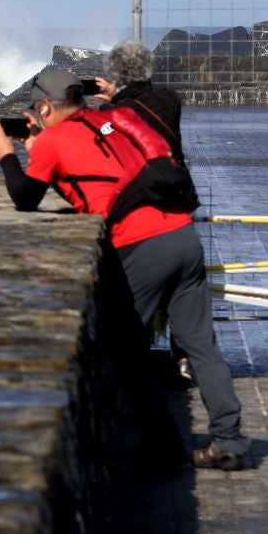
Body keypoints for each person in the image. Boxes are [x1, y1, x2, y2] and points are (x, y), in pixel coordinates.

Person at [0, 69, 249, 471]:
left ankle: (157, 446)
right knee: (202, 347)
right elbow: (93, 183)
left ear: (44, 107)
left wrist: (7, 156)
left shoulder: (52, 140)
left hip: (142, 245)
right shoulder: (108, 119)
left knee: (123, 347)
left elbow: (25, 198)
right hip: (182, 234)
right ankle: (229, 441)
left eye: (36, 114)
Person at [93, 40, 192, 381]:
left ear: (116, 77)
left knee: (138, 290)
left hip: (140, 212)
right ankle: (184, 359)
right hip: (177, 205)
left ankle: (135, 364)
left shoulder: (111, 113)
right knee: (180, 293)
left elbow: (109, 133)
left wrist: (112, 100)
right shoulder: (169, 101)